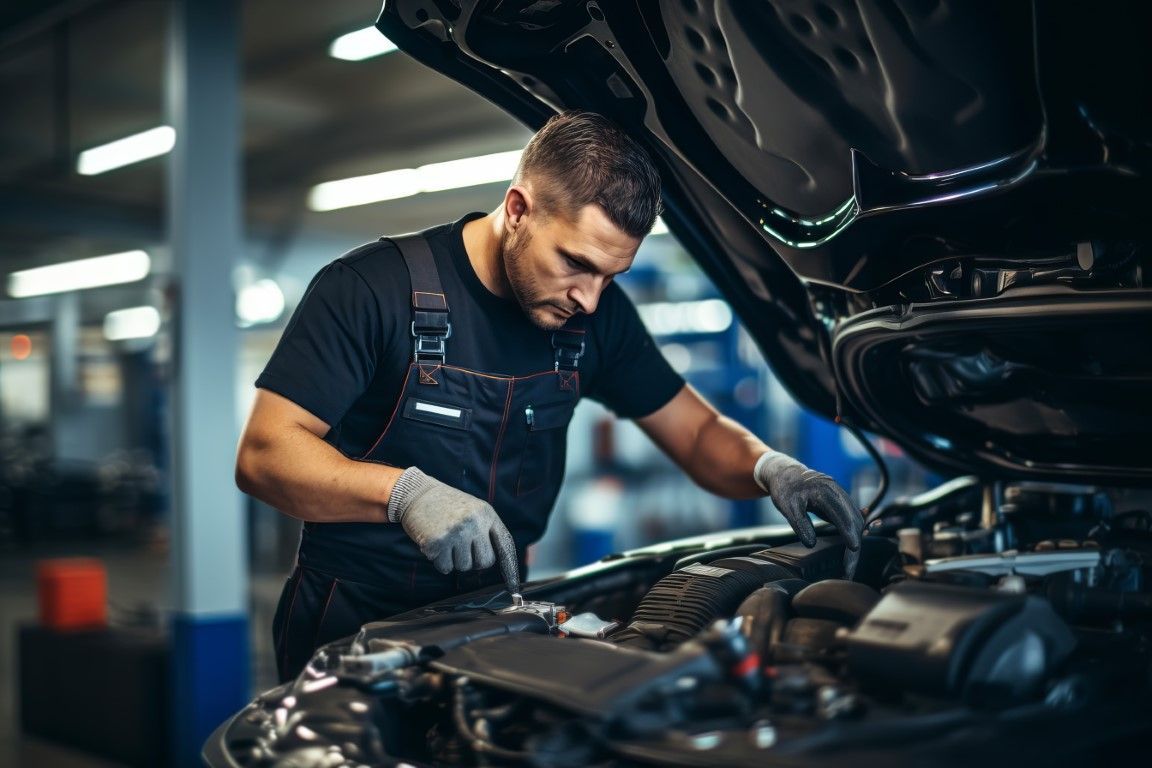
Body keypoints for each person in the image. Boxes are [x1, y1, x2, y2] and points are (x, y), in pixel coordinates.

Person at [236, 111, 863, 682]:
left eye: (609, 276)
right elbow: (265, 455)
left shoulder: (597, 318)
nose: (588, 298)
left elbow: (696, 433)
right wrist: (401, 493)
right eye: (575, 263)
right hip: (352, 619)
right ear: (517, 209)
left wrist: (768, 465)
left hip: (498, 612)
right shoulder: (369, 289)